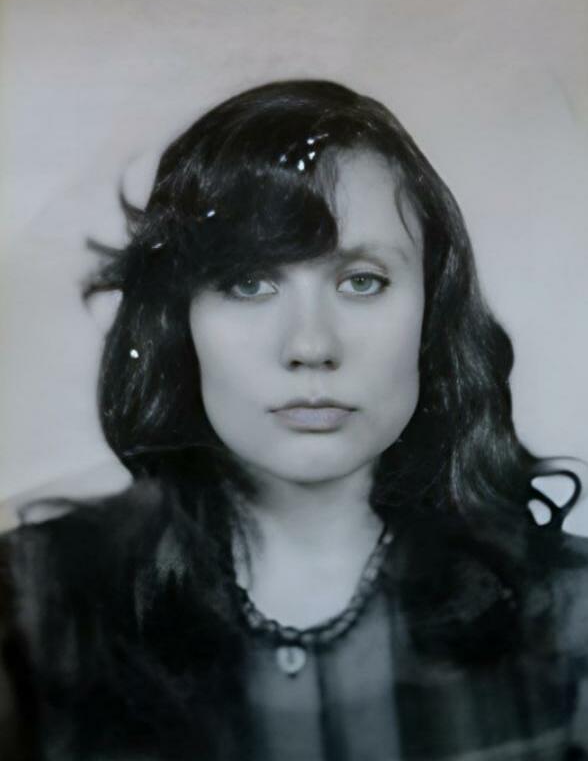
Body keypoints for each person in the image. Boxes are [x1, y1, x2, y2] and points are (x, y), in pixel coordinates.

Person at [1, 79, 587, 760]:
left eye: (362, 281)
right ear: (178, 320)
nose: (310, 345)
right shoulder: (32, 610)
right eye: (248, 283)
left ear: (432, 312)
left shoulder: (570, 617)